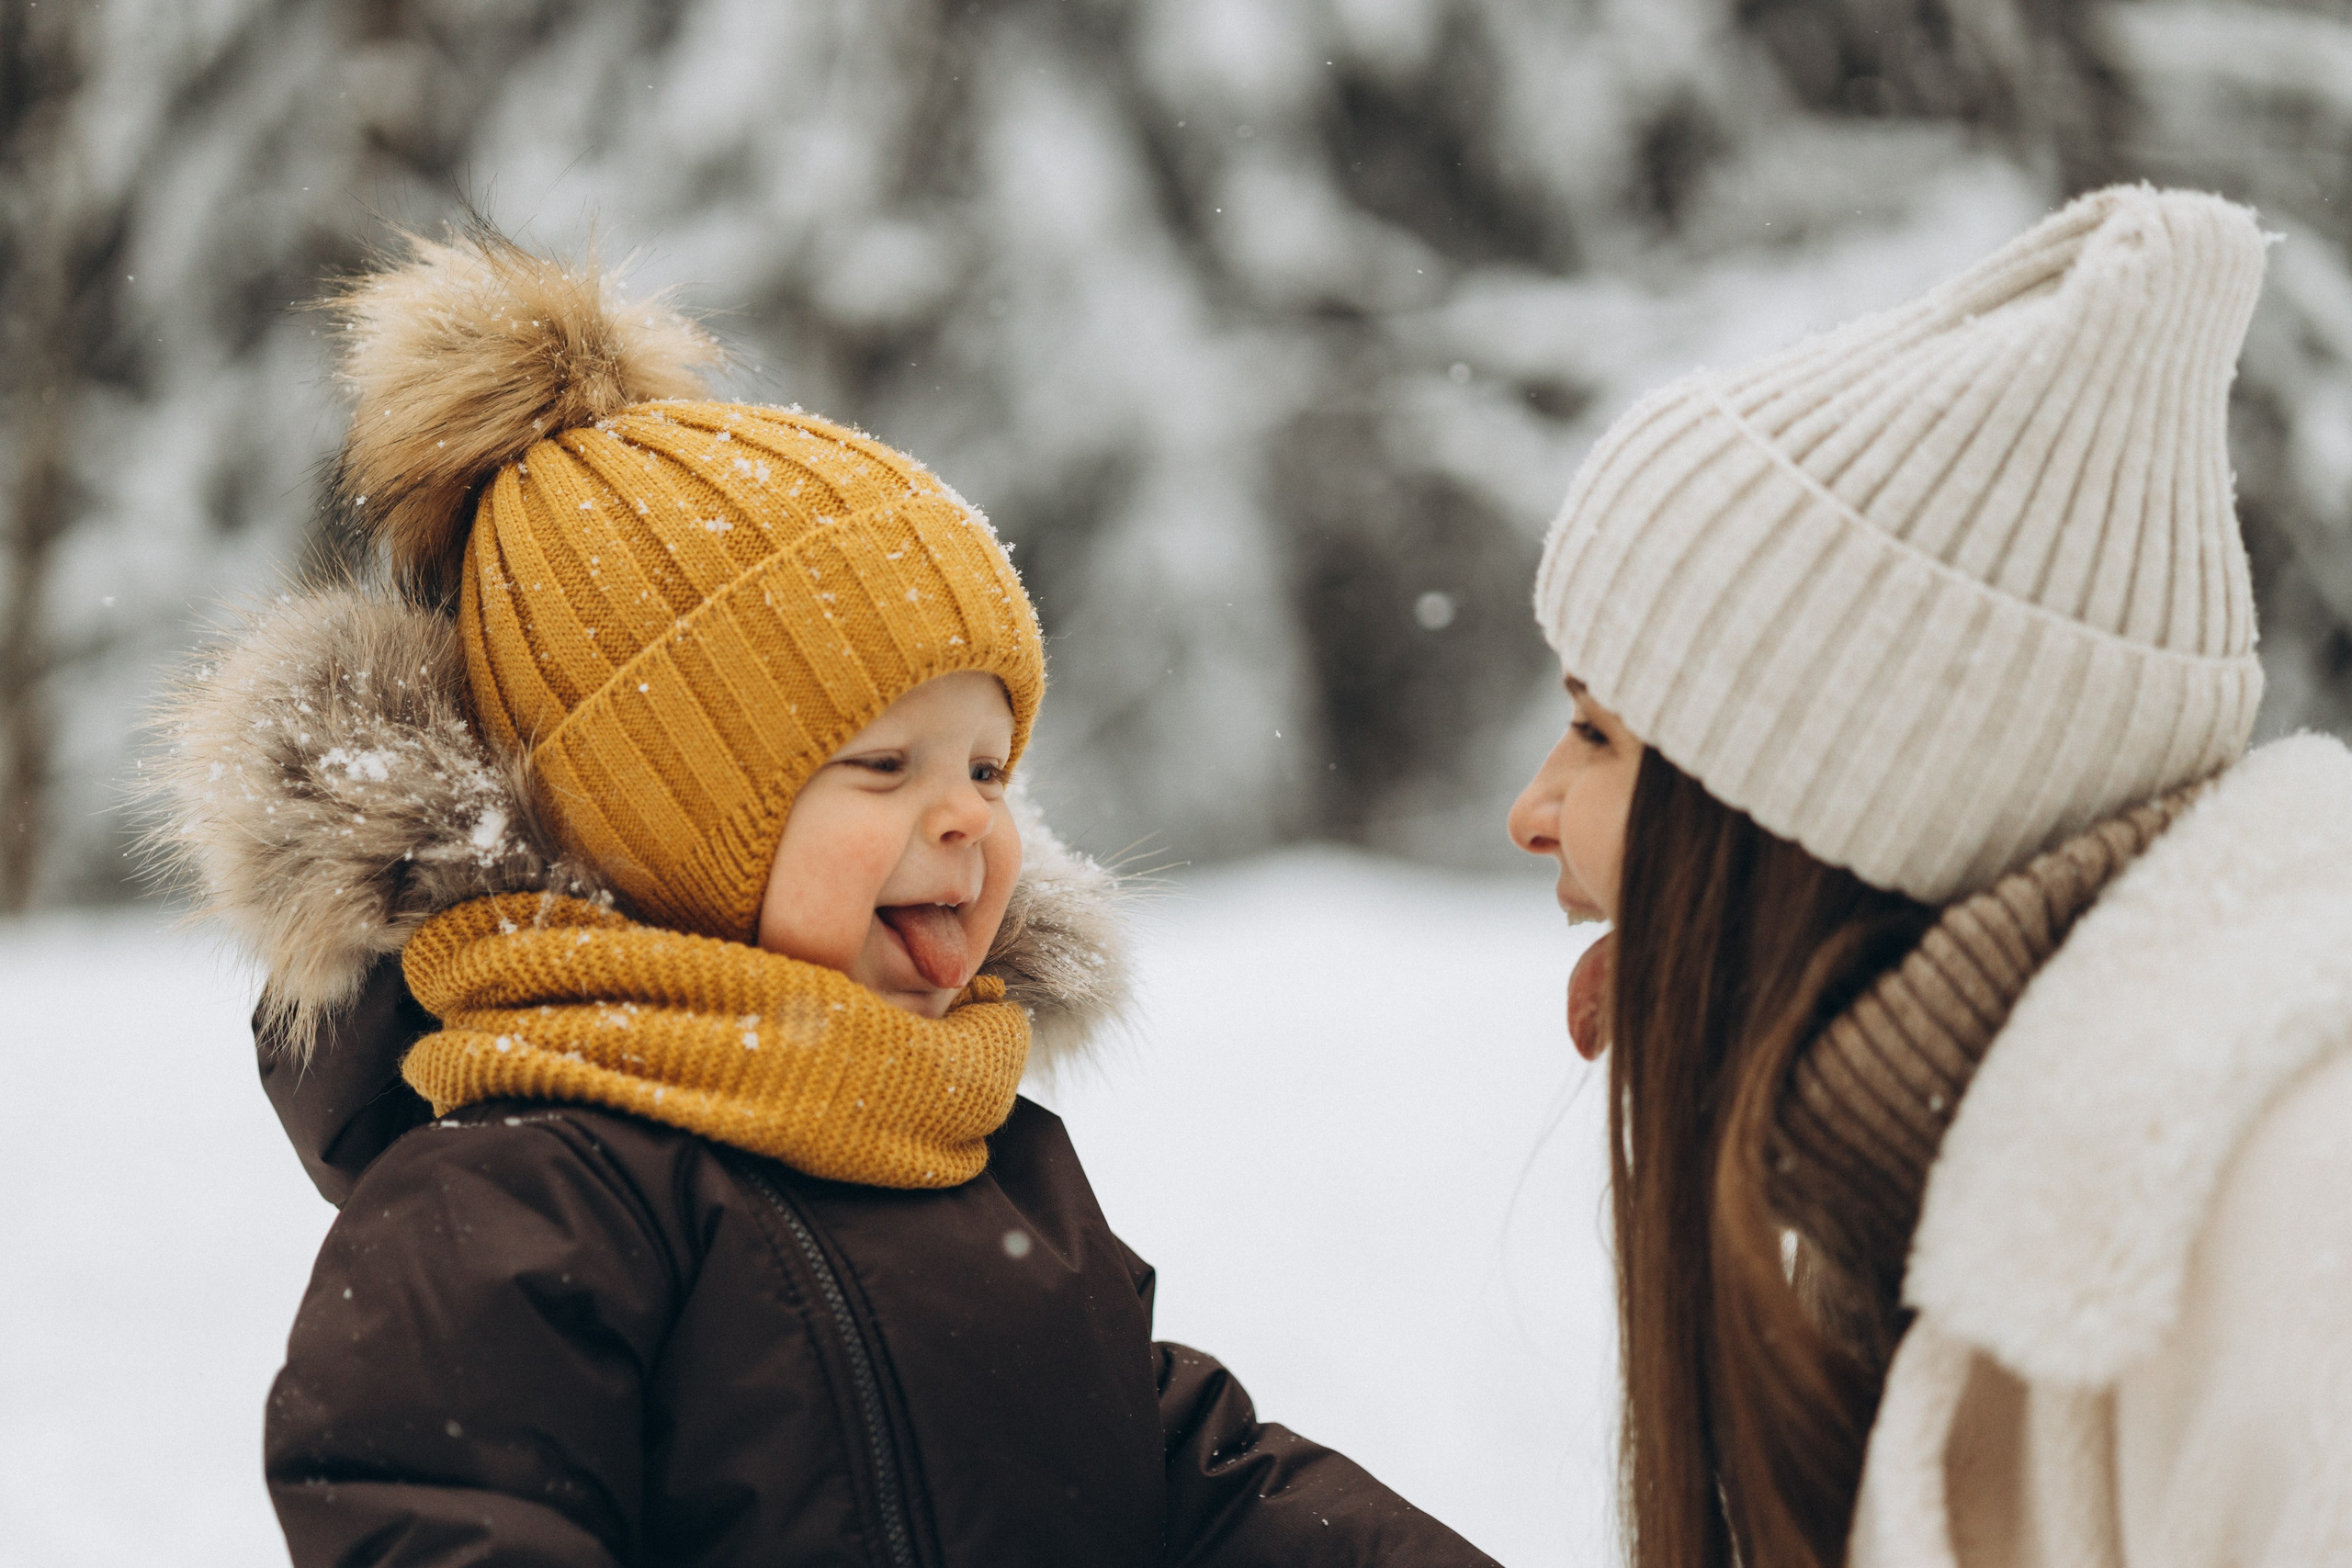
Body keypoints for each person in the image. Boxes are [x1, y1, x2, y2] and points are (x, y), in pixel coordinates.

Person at [153, 228, 1496, 1567]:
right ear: (660, 813)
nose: (971, 813)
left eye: (987, 763)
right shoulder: (527, 1197)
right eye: (883, 766)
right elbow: (439, 1518)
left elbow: (1181, 1479)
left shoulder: (979, 1151)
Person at [1507, 186, 2352, 1567]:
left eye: (1599, 732)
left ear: (1827, 807)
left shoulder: (2300, 1247)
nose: (1531, 810)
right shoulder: (1941, 1227)